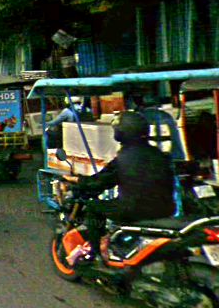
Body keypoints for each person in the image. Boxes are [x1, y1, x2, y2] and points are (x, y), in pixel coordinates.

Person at [66, 111, 175, 265]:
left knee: (93, 207)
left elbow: (100, 182)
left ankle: (96, 255)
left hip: (133, 209)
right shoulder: (159, 154)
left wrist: (79, 180)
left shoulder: (124, 158)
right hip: (166, 208)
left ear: (121, 133)